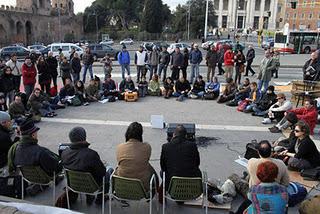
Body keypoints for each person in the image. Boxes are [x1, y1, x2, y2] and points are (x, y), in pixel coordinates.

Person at [58, 127, 113, 206]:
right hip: (92, 186)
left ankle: (89, 196)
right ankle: (101, 198)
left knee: (86, 170)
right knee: (109, 170)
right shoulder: (92, 154)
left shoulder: (64, 152)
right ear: (84, 137)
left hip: (73, 184)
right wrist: (102, 164)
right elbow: (102, 173)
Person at [115, 122, 158, 192]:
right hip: (142, 186)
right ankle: (154, 192)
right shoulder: (147, 147)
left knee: (112, 169)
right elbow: (146, 159)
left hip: (122, 185)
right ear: (140, 134)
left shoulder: (120, 147)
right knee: (150, 168)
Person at [160, 125, 201, 190]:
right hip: (191, 185)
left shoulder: (165, 147)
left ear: (174, 135)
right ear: (186, 136)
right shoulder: (192, 146)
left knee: (162, 172)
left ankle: (164, 195)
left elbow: (163, 166)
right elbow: (197, 163)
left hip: (172, 185)